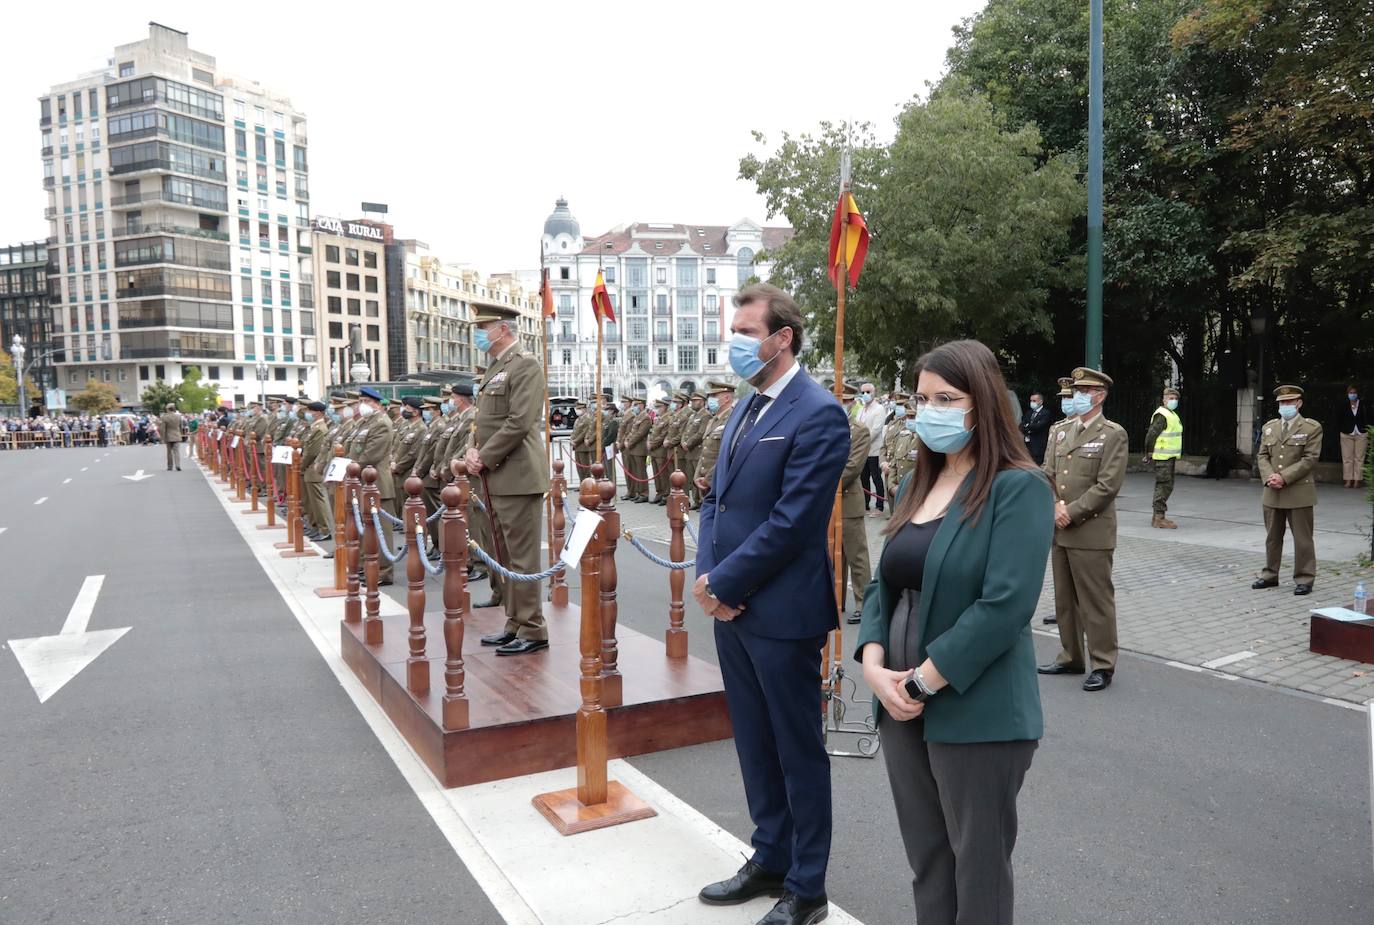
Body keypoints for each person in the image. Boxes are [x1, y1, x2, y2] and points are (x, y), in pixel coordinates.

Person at [853, 339, 1051, 925]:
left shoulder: (1019, 487)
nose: (930, 410)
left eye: (946, 398)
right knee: (930, 862)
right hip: (899, 705)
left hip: (975, 711)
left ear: (982, 403)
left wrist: (920, 685)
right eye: (922, 398)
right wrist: (871, 663)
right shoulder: (921, 478)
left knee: (978, 870)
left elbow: (1005, 607)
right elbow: (882, 585)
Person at [692, 283, 850, 925]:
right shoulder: (746, 406)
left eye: (746, 330)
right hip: (730, 607)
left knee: (796, 750)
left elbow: (793, 523)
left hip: (782, 614)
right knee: (755, 743)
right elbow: (714, 500)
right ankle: (769, 857)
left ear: (782, 338)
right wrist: (709, 579)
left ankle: (807, 885)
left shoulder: (818, 412)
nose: (735, 340)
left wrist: (725, 584)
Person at [465, 304, 551, 656]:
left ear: (502, 329)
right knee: (504, 556)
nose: (478, 334)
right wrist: (472, 449)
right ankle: (514, 621)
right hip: (497, 476)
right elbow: (480, 422)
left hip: (517, 475)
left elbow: (518, 421)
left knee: (522, 558)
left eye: (482, 327)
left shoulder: (525, 364)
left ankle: (533, 629)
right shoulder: (495, 368)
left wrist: (484, 456)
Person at [1038, 367, 1128, 692]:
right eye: (1075, 390)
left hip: (1090, 531)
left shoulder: (1112, 433)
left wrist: (1070, 512)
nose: (1076, 396)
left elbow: (1107, 486)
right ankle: (1071, 656)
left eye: (1083, 390)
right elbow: (1046, 474)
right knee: (1065, 598)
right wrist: (1053, 507)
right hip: (1060, 528)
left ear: (1099, 395)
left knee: (1096, 601)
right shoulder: (1059, 431)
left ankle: (1103, 663)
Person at [1253, 384, 1322, 596]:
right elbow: (1262, 455)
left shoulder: (1311, 428)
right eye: (1282, 402)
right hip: (1272, 490)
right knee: (1272, 537)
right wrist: (1269, 478)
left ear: (1299, 403)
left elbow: (1310, 459)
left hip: (1298, 491)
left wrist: (1283, 477)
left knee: (1303, 539)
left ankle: (1304, 578)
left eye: (1290, 402)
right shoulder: (1270, 427)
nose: (1285, 406)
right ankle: (1270, 574)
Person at [348, 387, 396, 586]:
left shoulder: (382, 423)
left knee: (381, 530)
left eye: (366, 401)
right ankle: (367, 566)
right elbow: (354, 447)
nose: (362, 404)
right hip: (363, 481)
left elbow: (372, 454)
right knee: (367, 528)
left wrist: (352, 466)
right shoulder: (366, 422)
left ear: (376, 403)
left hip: (377, 483)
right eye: (361, 401)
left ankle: (384, 571)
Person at [839, 383, 872, 625]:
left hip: (848, 500)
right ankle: (835, 600)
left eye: (844, 401)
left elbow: (853, 467)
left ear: (852, 403)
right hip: (826, 504)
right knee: (831, 556)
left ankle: (864, 603)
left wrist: (820, 483)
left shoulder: (859, 431)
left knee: (856, 555)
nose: (840, 405)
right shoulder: (823, 427)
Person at [1143, 387, 1183, 529]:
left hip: (1168, 456)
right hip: (1162, 456)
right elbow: (1151, 435)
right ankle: (1159, 517)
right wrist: (1148, 453)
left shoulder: (1171, 414)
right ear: (1164, 399)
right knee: (1163, 485)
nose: (1173, 401)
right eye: (1170, 398)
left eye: (1175, 399)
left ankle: (1158, 516)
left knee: (1167, 485)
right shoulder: (1162, 414)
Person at [694, 380, 736, 498]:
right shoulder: (713, 420)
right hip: (705, 480)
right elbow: (705, 450)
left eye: (714, 396)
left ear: (727, 398)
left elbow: (727, 454)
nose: (710, 400)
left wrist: (708, 479)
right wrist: (697, 475)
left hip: (719, 479)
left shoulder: (733, 419)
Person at [299, 401, 332, 540]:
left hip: (313, 468)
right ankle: (315, 526)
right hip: (308, 469)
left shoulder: (319, 428)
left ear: (318, 413)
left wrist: (300, 465)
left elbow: (312, 452)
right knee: (310, 501)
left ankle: (324, 529)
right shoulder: (313, 428)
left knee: (318, 501)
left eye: (310, 411)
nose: (308, 414)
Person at [858, 381, 887, 516]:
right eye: (863, 392)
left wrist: (860, 441)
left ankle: (879, 506)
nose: (865, 394)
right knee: (863, 478)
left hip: (874, 450)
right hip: (862, 451)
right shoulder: (861, 409)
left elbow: (875, 430)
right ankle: (865, 504)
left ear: (874, 393)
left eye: (868, 392)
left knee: (876, 478)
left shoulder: (879, 409)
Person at [1338, 384, 1368, 488]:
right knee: (1347, 458)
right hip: (1347, 433)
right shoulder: (1343, 405)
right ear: (1347, 394)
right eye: (1350, 393)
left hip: (1361, 433)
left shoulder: (1363, 405)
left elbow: (1367, 417)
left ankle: (1357, 480)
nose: (1352, 395)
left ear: (1357, 394)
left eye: (1354, 393)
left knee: (1359, 457)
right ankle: (1348, 480)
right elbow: (1339, 419)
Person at [1019, 391, 1053, 465]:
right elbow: (1021, 426)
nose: (1032, 403)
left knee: (1037, 465)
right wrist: (1028, 426)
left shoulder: (1046, 413)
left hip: (1038, 446)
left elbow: (1038, 426)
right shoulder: (1029, 413)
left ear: (1040, 402)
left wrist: (1028, 425)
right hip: (1027, 444)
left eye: (1034, 401)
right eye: (1031, 401)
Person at [570, 399, 593, 478]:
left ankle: (587, 485)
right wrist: (571, 439)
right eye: (577, 409)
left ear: (584, 409)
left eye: (580, 409)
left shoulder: (587, 418)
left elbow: (584, 432)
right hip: (577, 447)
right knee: (579, 467)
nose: (578, 411)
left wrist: (575, 441)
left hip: (583, 447)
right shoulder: (578, 419)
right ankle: (582, 484)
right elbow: (575, 431)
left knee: (585, 467)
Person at [159, 403, 184, 471]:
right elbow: (181, 426)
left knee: (169, 452)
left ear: (168, 409)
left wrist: (162, 437)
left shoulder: (165, 417)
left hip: (168, 436)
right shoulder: (179, 416)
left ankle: (170, 466)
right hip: (177, 435)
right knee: (176, 451)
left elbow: (162, 429)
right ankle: (178, 465)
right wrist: (180, 434)